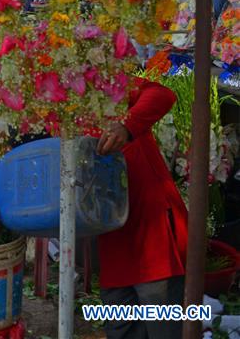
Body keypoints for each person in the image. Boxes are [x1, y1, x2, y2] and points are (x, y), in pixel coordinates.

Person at [96, 78, 188, 339]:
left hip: (152, 236)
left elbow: (162, 94)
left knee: (163, 328)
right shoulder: (55, 112)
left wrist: (127, 126)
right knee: (120, 329)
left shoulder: (105, 83)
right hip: (111, 240)